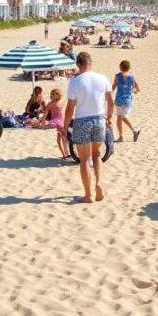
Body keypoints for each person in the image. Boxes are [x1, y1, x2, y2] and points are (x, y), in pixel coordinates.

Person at [64, 52, 114, 204]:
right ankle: (99, 182)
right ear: (91, 63)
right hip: (99, 119)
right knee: (97, 154)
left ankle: (88, 195)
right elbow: (110, 102)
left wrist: (64, 127)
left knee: (84, 160)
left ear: (78, 65)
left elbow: (70, 109)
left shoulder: (75, 82)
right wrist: (108, 118)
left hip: (82, 121)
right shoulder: (102, 78)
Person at [112, 60, 141, 143]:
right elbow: (137, 88)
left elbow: (114, 86)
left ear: (120, 67)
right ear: (129, 67)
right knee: (120, 117)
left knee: (120, 117)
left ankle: (132, 131)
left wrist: (110, 93)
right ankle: (127, 134)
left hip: (119, 100)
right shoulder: (132, 77)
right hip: (128, 100)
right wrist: (135, 91)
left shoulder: (117, 76)